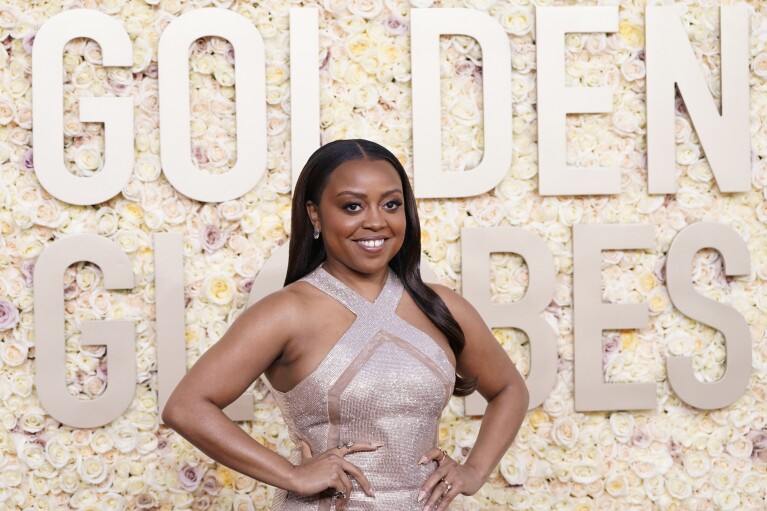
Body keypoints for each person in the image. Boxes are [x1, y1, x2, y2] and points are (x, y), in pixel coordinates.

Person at [162, 139, 529, 510]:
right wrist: (292, 475)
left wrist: (475, 471)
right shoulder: (286, 312)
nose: (375, 220)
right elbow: (187, 406)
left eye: (391, 204)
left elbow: (509, 388)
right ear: (315, 215)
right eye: (352, 206)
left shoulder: (441, 305)